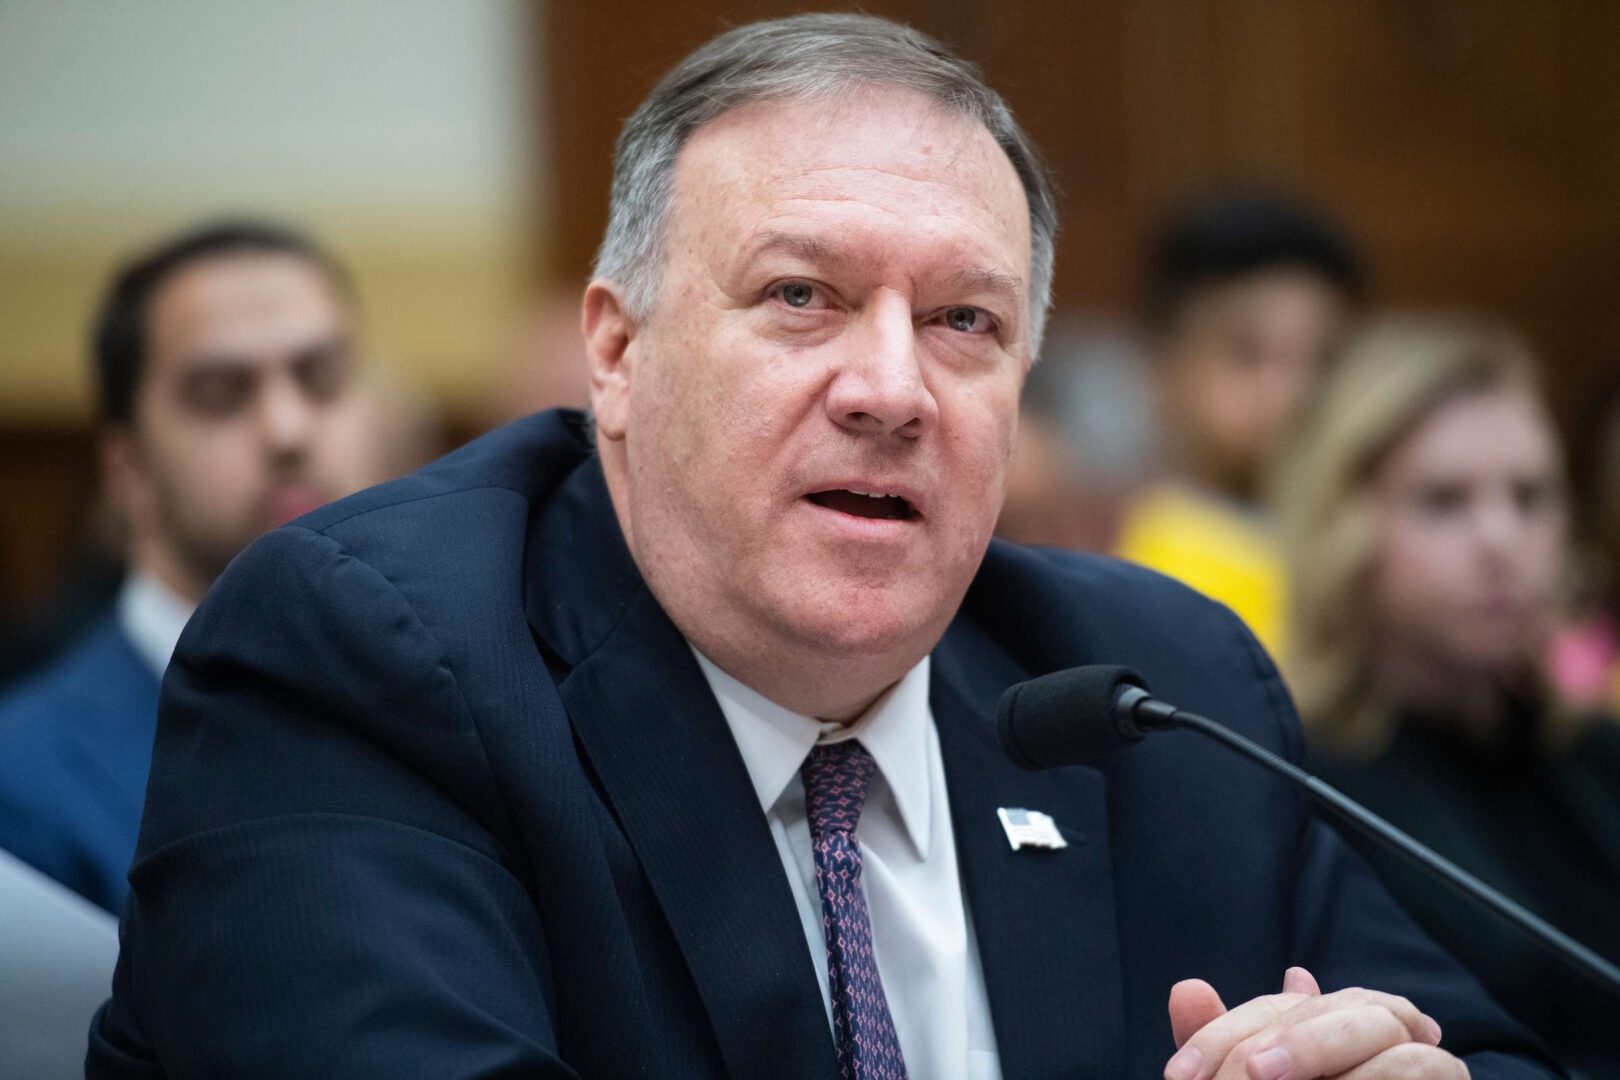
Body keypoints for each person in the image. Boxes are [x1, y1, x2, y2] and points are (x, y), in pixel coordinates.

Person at [90, 17, 1557, 1079]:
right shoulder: (367, 659)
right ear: (616, 350)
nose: (892, 388)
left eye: (965, 322)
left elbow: (1490, 1048)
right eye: (801, 296)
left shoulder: (1152, 689)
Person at [1277, 315, 1620, 1077]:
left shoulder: (1597, 756)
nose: (1502, 539)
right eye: (1444, 500)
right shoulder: (1295, 784)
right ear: (1346, 526)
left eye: (1531, 497)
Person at [0, 220, 374, 914]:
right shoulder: (24, 784)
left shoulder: (455, 705)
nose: (288, 430)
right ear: (127, 469)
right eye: (220, 394)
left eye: (320, 379)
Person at [1115, 193, 1363, 657]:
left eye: (1323, 359)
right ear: (1163, 371)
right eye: (1247, 354)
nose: (1293, 393)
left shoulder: (1362, 549)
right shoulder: (1158, 588)